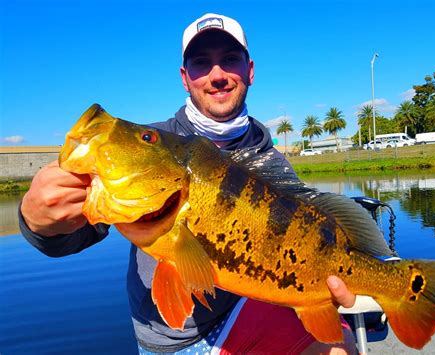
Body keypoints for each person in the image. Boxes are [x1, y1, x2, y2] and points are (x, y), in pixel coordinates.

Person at [19, 13, 357, 354]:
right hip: (179, 339)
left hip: (250, 308)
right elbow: (74, 233)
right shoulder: (158, 145)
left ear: (249, 71)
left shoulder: (271, 163)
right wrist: (37, 221)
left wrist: (326, 290)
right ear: (185, 78)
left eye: (229, 60)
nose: (217, 75)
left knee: (339, 345)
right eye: (201, 63)